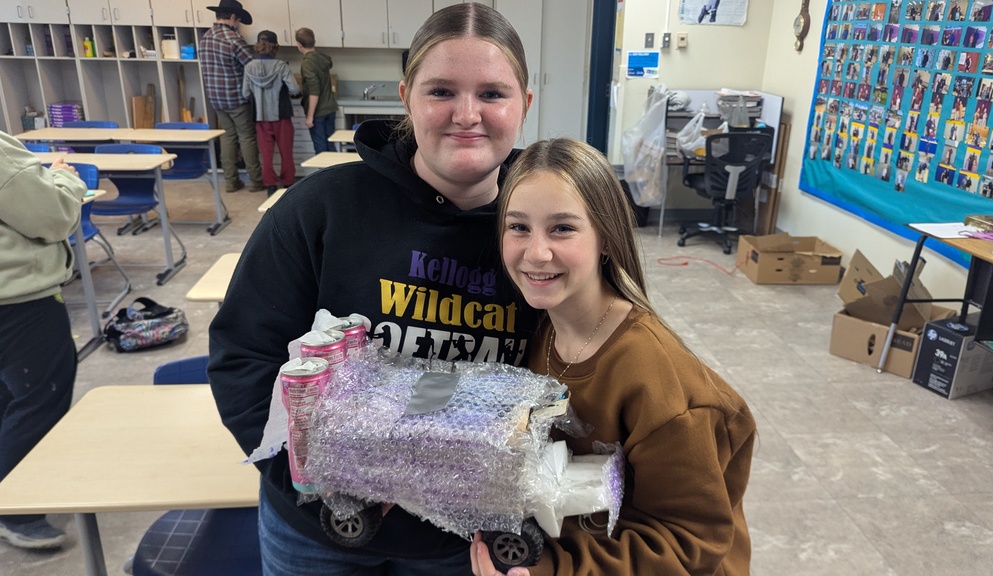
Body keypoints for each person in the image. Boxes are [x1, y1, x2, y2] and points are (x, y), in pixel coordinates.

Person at [207, 4, 537, 574]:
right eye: (441, 91)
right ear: (406, 97)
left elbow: (590, 368)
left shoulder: (548, 232)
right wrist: (319, 482)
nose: (466, 115)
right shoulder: (319, 210)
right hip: (318, 531)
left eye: (492, 93)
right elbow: (245, 360)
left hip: (465, 544)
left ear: (524, 105)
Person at [469, 138, 756, 575]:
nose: (536, 252)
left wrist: (550, 569)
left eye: (562, 228)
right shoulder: (543, 329)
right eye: (518, 227)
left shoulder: (655, 378)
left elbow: (689, 544)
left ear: (606, 238)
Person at [0, 131, 86, 550]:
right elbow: (51, 216)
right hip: (15, 300)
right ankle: (18, 509)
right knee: (39, 398)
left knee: (6, 396)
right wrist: (66, 179)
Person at [198, 0, 264, 192]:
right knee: (247, 137)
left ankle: (231, 181)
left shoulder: (205, 38)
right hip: (236, 98)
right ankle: (255, 181)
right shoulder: (234, 40)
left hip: (216, 99)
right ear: (233, 17)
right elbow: (252, 68)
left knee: (228, 137)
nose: (239, 24)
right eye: (239, 20)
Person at [243, 29, 301, 194]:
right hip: (281, 115)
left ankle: (270, 185)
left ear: (258, 45)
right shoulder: (281, 66)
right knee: (286, 152)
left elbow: (245, 93)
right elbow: (295, 89)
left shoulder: (249, 67)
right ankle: (288, 183)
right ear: (275, 46)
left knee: (266, 154)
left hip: (261, 118)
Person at [295, 27, 338, 154]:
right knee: (330, 146)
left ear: (299, 44)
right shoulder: (322, 59)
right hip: (330, 108)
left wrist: (309, 116)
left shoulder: (307, 63)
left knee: (321, 150)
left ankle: (325, 174)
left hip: (318, 111)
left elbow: (314, 91)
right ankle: (335, 173)